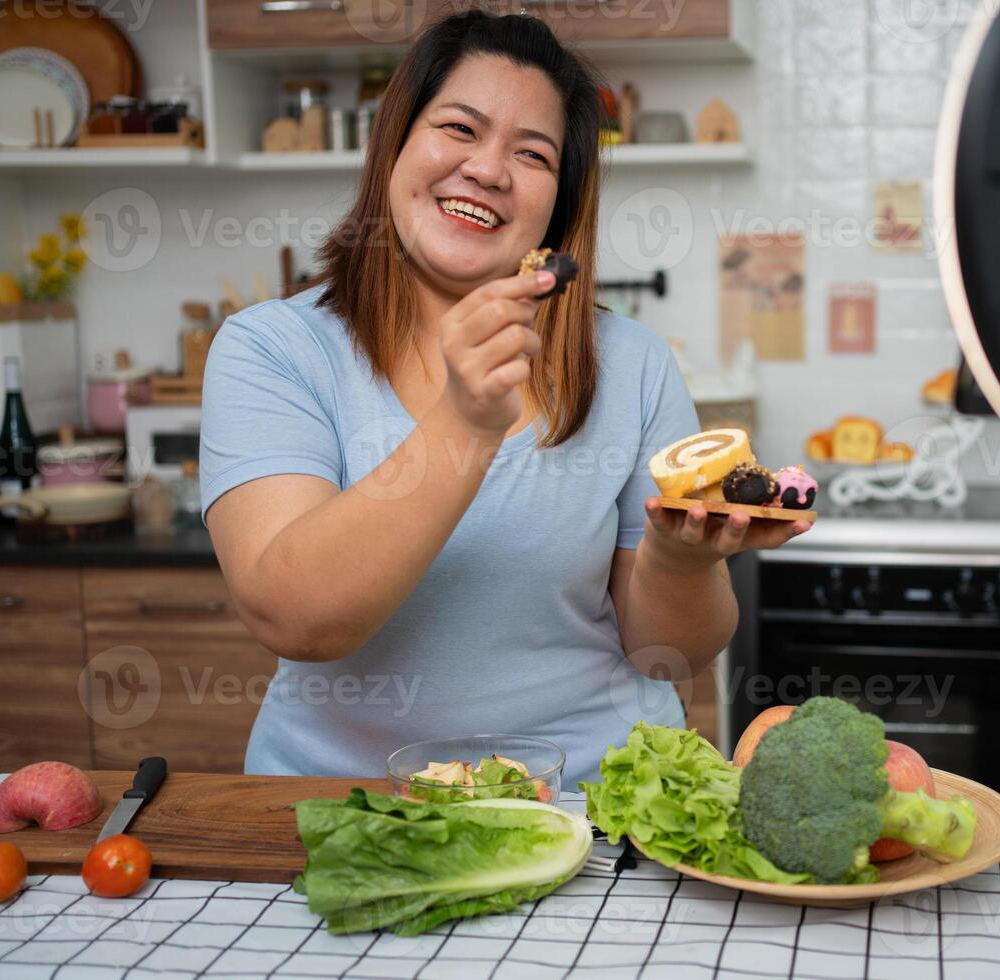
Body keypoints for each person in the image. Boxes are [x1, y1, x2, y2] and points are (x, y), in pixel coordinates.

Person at [199, 9, 809, 784]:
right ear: (396, 140)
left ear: (558, 202)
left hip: (590, 805)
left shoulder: (633, 365)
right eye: (459, 127)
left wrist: (679, 562)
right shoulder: (273, 349)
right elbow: (298, 618)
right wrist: (465, 422)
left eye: (533, 153)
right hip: (345, 805)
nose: (488, 169)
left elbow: (672, 654)